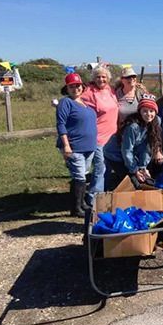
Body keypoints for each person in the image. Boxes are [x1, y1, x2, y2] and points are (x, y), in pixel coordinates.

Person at [56, 73, 97, 217]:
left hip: (88, 146)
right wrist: (66, 145)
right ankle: (76, 208)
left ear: (82, 87)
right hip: (74, 146)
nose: (75, 88)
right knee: (79, 176)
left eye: (78, 85)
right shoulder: (65, 103)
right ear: (66, 88)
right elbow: (61, 124)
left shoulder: (85, 103)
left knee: (83, 175)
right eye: (72, 86)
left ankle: (81, 203)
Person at [103, 94, 163, 190]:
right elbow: (127, 150)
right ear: (139, 112)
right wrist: (135, 170)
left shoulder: (155, 123)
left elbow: (147, 147)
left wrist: (143, 167)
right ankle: (112, 195)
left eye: (151, 111)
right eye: (145, 111)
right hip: (115, 153)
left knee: (142, 178)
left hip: (131, 152)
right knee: (131, 179)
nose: (148, 114)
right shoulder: (133, 127)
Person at [81, 66, 119, 202]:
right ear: (93, 78)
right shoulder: (89, 93)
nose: (101, 79)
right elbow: (83, 112)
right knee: (100, 168)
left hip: (113, 136)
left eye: (103, 77)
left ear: (108, 79)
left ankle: (105, 196)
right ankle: (93, 200)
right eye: (98, 77)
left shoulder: (110, 90)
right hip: (98, 137)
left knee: (108, 168)